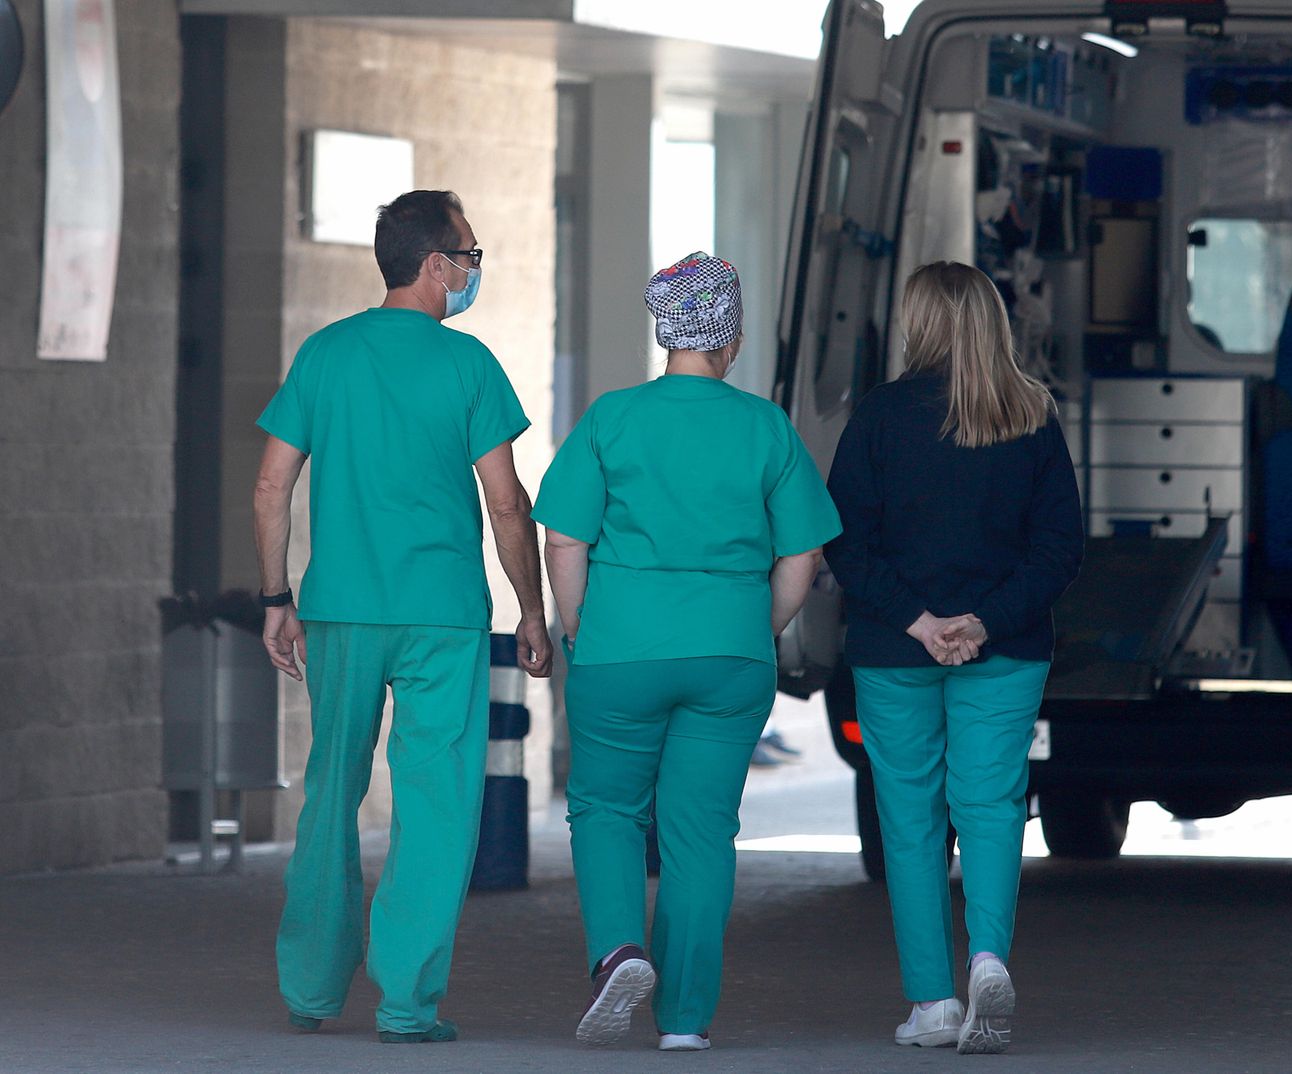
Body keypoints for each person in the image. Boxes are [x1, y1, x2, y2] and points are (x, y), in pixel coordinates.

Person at [253, 190, 553, 1045]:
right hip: (443, 620)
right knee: (434, 805)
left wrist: (276, 597)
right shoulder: (467, 366)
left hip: (341, 610)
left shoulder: (325, 355)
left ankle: (311, 990)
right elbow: (506, 503)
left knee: (330, 792)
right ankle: (406, 1004)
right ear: (434, 266)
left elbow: (272, 485)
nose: (472, 269)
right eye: (470, 254)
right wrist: (531, 610)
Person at [533, 252, 841, 1052]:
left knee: (605, 808)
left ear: (664, 328)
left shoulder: (613, 417)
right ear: (729, 337)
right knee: (701, 829)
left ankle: (618, 952)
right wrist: (757, 630)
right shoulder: (764, 425)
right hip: (731, 652)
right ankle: (685, 1022)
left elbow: (563, 535)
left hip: (619, 647)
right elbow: (802, 558)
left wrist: (579, 626)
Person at [825, 260, 1083, 1054]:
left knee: (910, 821)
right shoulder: (1033, 414)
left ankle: (934, 1003)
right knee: (992, 807)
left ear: (920, 323)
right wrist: (983, 620)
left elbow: (843, 538)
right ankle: (989, 959)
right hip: (1003, 649)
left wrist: (918, 620)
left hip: (895, 650)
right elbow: (1058, 548)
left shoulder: (879, 415)